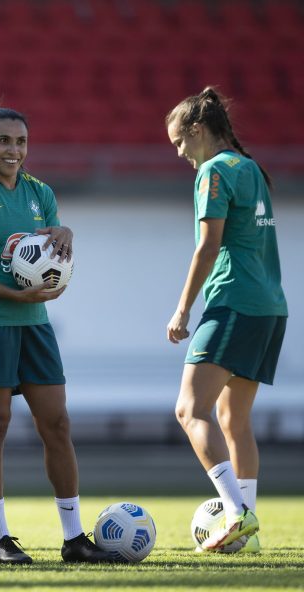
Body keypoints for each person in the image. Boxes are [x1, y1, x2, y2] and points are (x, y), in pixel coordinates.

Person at [0, 106, 115, 564]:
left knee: (57, 424)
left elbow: (54, 259)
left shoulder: (41, 192)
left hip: (34, 326)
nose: (13, 150)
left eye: (20, 142)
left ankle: (74, 538)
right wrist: (10, 294)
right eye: (3, 141)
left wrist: (65, 234)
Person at [165, 87, 286, 553]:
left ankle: (236, 514)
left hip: (233, 302)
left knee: (189, 409)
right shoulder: (249, 166)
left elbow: (208, 246)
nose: (178, 152)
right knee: (233, 417)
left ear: (198, 130)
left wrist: (182, 308)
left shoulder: (212, 170)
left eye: (179, 141)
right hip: (270, 307)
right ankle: (248, 528)